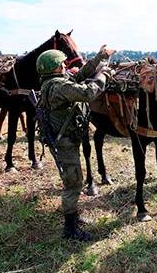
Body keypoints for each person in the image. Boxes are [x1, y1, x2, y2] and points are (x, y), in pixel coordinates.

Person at [36, 46, 115, 241]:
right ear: (54, 67)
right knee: (73, 183)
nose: (65, 65)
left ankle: (74, 218)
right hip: (65, 142)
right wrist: (103, 75)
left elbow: (79, 76)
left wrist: (99, 58)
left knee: (74, 180)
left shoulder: (53, 83)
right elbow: (89, 93)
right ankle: (70, 230)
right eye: (61, 63)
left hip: (66, 139)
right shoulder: (59, 87)